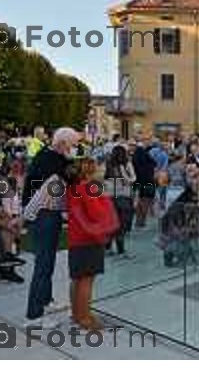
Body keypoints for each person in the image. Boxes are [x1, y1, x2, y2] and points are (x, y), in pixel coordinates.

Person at [23, 127, 78, 328]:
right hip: (44, 215)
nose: (75, 149)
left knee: (47, 262)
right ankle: (34, 315)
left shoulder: (50, 157)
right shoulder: (51, 161)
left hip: (47, 214)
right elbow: (69, 181)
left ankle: (45, 301)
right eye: (73, 145)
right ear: (63, 143)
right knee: (44, 264)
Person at [68, 158, 119, 330]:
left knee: (77, 279)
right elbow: (97, 214)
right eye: (98, 169)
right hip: (89, 239)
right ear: (90, 171)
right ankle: (85, 318)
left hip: (76, 238)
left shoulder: (74, 187)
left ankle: (77, 314)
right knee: (87, 280)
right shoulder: (89, 188)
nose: (101, 171)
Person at [104, 144, 136, 257]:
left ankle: (108, 248)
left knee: (111, 223)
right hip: (123, 196)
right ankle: (120, 250)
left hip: (109, 197)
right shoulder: (126, 164)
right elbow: (132, 179)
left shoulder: (107, 164)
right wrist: (123, 174)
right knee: (121, 224)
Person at [132, 136, 156, 227]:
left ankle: (139, 221)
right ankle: (141, 221)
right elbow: (153, 163)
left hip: (139, 180)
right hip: (146, 180)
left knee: (141, 200)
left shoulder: (137, 154)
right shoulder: (142, 153)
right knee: (145, 200)